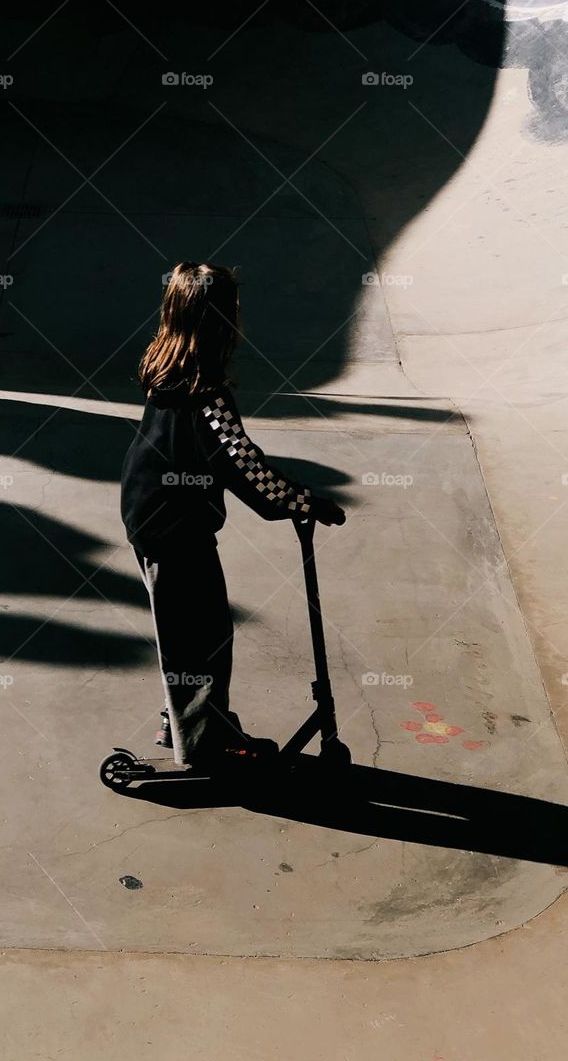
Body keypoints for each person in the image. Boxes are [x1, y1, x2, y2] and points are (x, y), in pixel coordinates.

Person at [120, 261, 346, 770]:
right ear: (220, 319)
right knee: (200, 638)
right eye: (235, 308)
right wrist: (303, 502)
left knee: (197, 630)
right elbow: (242, 464)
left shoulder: (169, 368)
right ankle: (203, 746)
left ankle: (189, 720)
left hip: (155, 515)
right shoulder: (207, 393)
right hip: (172, 528)